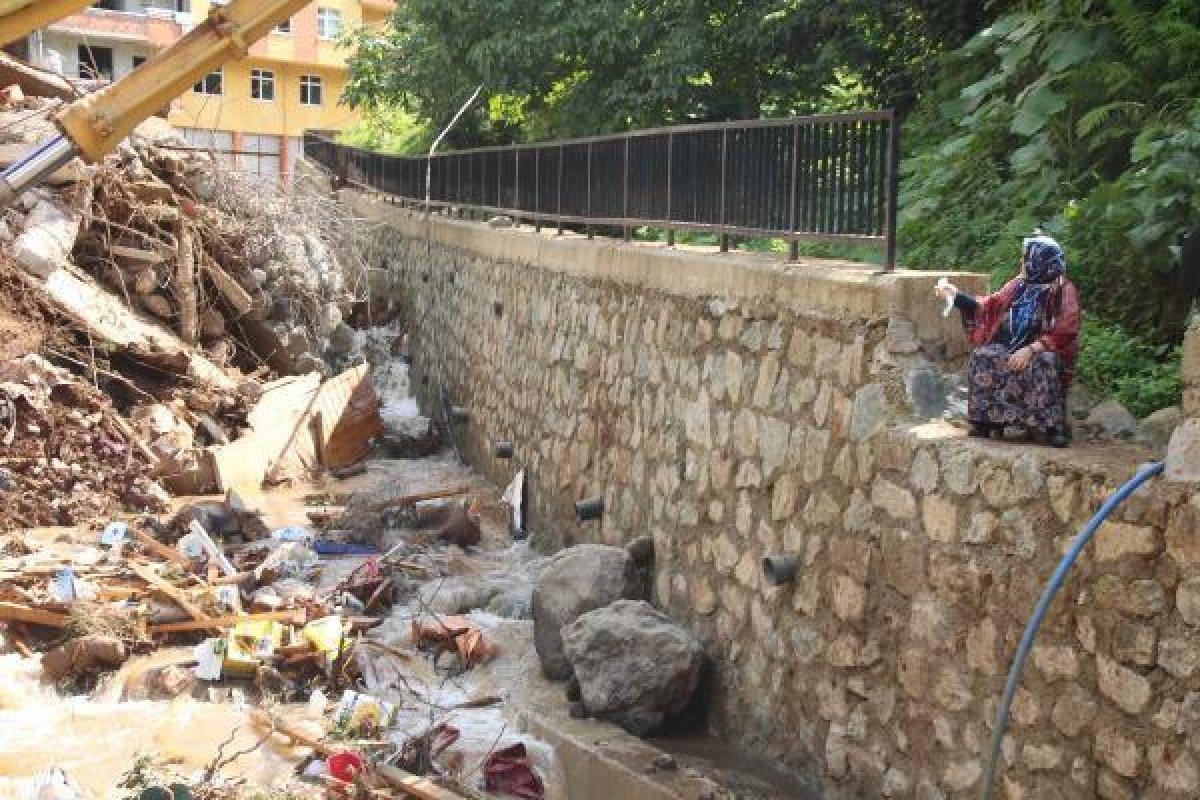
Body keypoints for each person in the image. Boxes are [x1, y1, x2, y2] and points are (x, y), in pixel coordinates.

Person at [936, 234, 1081, 447]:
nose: (1021, 263)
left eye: (1025, 258)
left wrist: (1031, 350)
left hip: (1044, 350)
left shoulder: (1062, 290)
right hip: (1013, 346)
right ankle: (987, 421)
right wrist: (957, 296)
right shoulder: (1018, 286)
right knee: (984, 356)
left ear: (1041, 261)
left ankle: (1051, 426)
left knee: (1044, 363)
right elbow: (990, 306)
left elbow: (1066, 328)